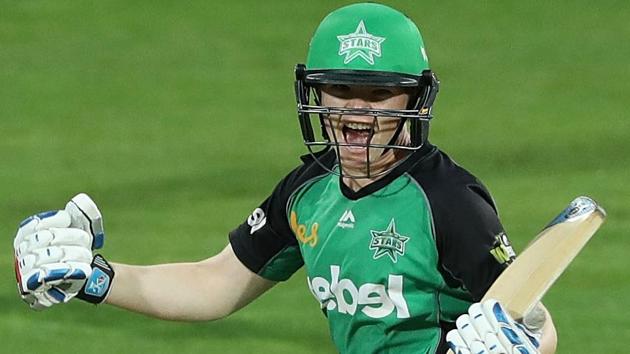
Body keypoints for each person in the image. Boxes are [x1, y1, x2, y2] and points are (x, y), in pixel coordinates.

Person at [13, 3, 557, 353]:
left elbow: (530, 318)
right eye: (340, 91)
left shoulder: (448, 203)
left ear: (413, 99)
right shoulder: (307, 191)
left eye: (377, 95)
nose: (355, 114)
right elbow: (214, 284)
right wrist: (95, 277)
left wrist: (527, 342)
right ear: (315, 94)